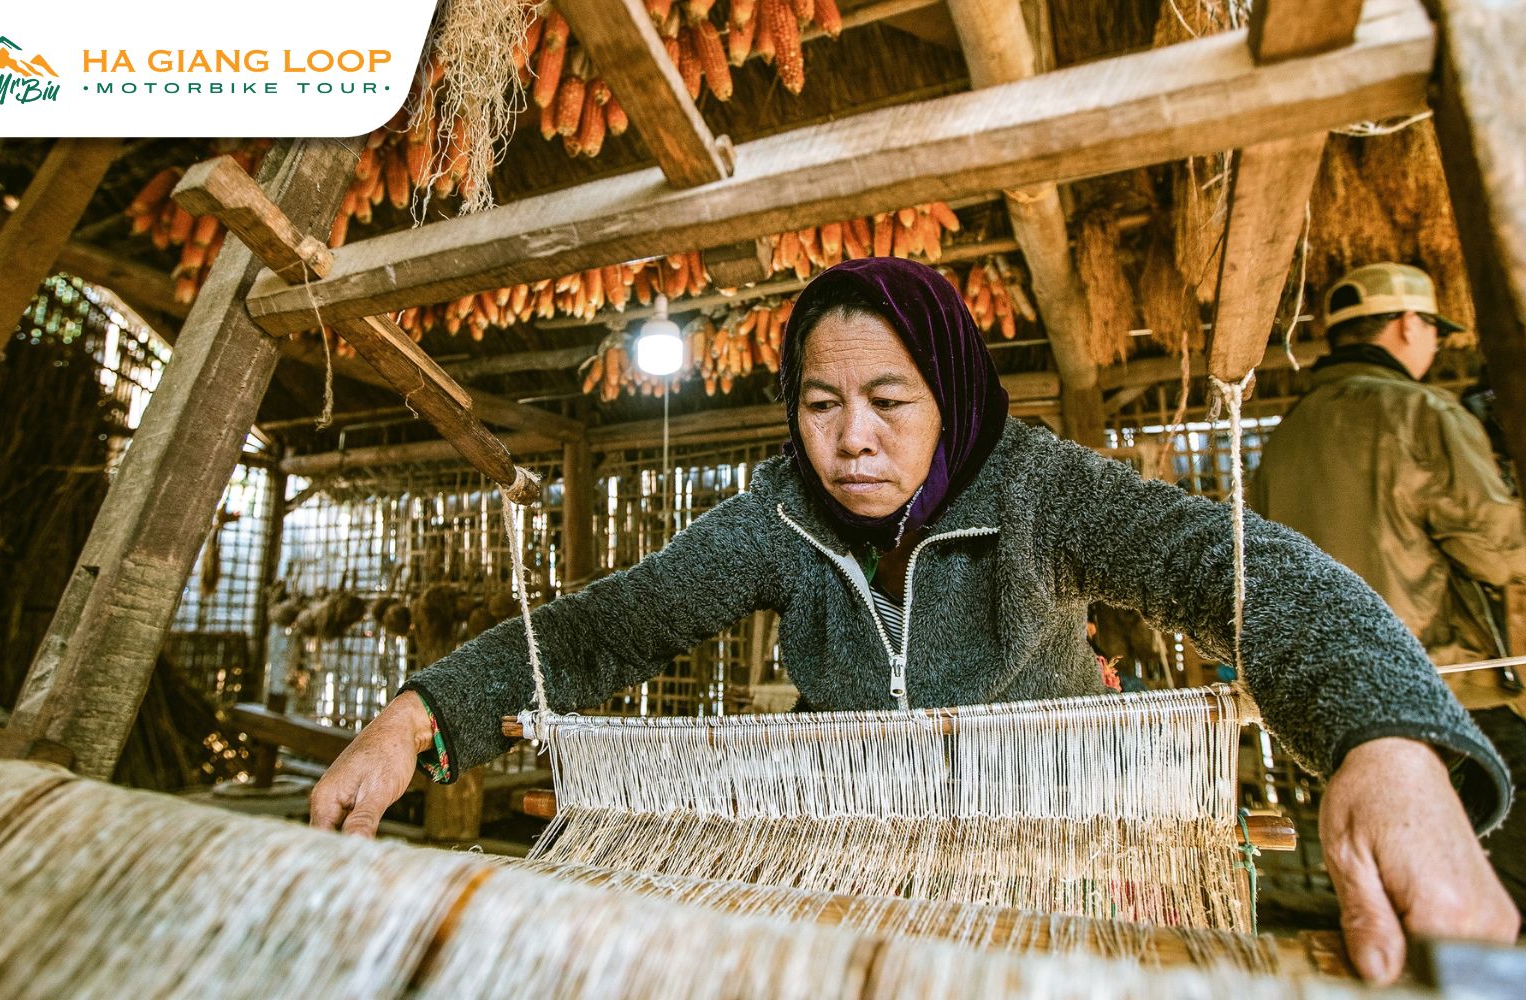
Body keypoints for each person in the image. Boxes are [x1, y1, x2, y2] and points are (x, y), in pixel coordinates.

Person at [313, 258, 1518, 983]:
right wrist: (422, 714)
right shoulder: (774, 520)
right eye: (821, 403)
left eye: (891, 399)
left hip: (1059, 855)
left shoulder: (1038, 490)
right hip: (856, 861)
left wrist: (1386, 742)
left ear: (950, 395)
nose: (852, 439)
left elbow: (1247, 576)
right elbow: (596, 633)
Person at [1254, 260, 1526, 915]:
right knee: (1499, 890)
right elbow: (1498, 551)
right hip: (1452, 695)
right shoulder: (1422, 412)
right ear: (1408, 325)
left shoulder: (1285, 441)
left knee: (1407, 897)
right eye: (1433, 329)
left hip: (1346, 712)